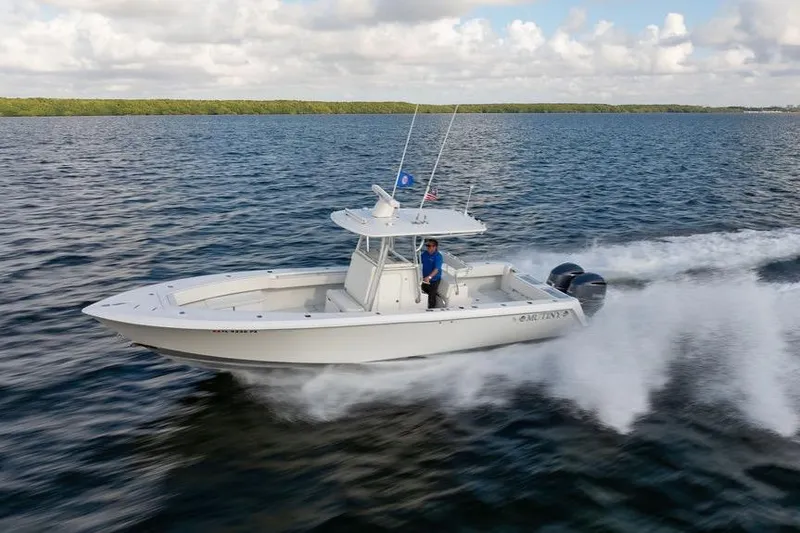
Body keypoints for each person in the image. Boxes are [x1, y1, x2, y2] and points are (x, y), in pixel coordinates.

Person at [420, 238, 443, 309]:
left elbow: (436, 269)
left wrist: (429, 277)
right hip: (424, 278)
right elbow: (419, 261)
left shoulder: (438, 256)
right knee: (423, 292)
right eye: (427, 245)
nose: (428, 247)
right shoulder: (425, 254)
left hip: (434, 279)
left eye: (430, 246)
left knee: (431, 296)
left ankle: (432, 309)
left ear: (435, 247)